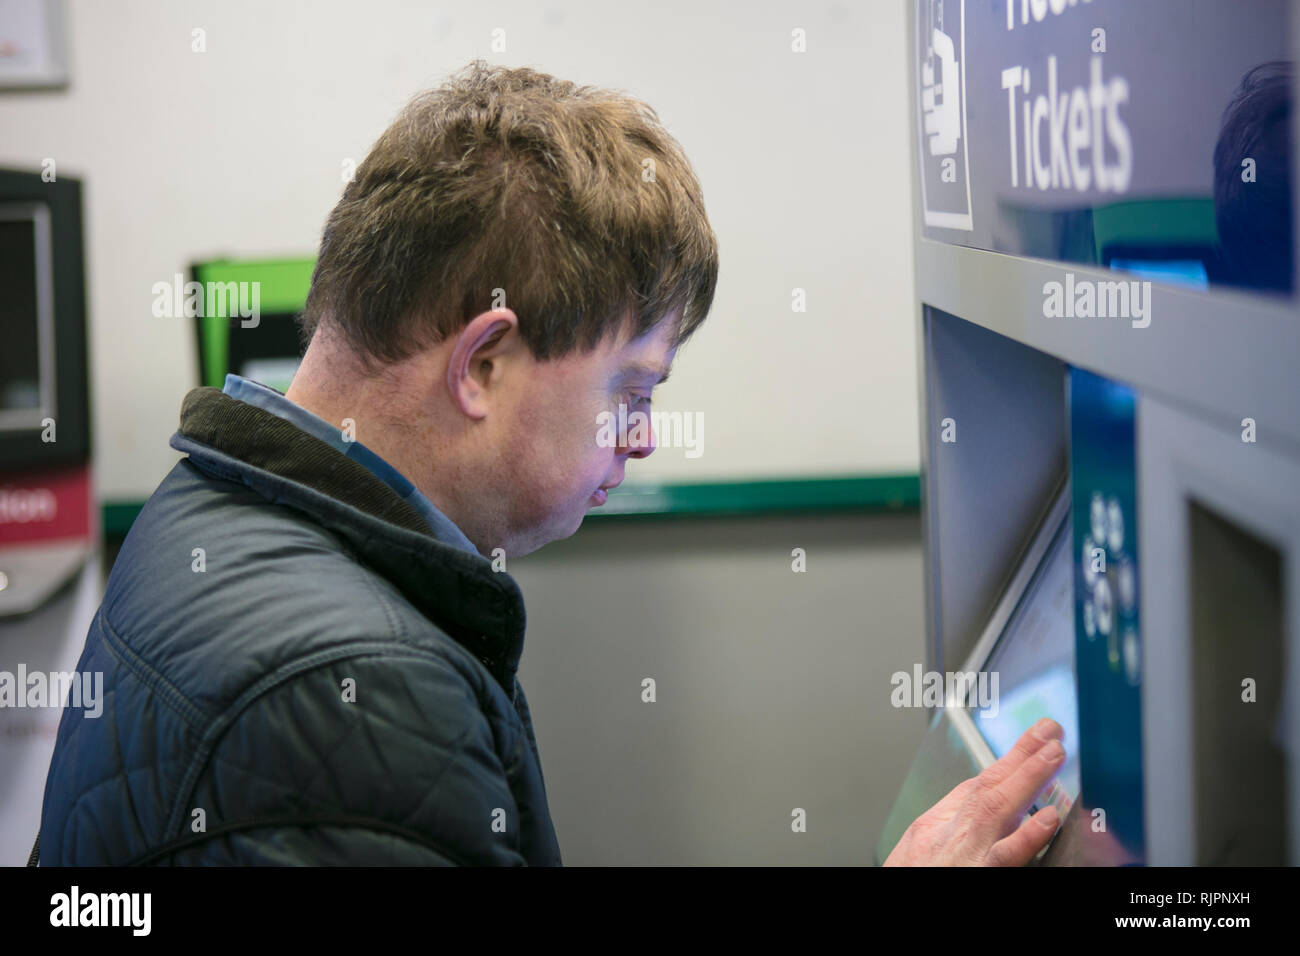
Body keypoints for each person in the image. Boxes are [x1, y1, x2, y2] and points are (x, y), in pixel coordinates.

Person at [37, 60, 1063, 866]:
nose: (645, 433)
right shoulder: (356, 695)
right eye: (633, 387)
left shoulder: (207, 508)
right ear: (482, 360)